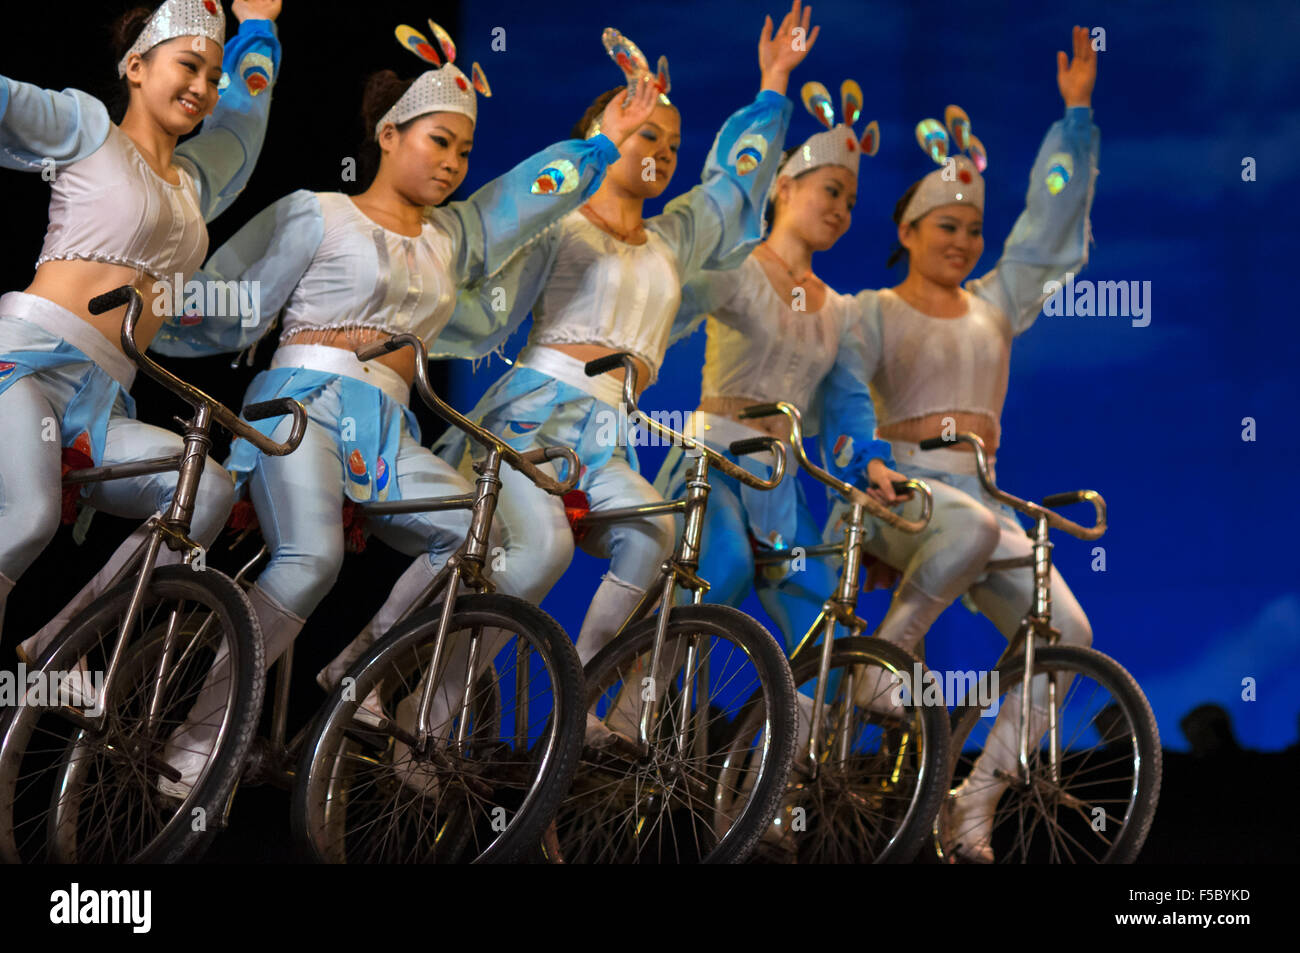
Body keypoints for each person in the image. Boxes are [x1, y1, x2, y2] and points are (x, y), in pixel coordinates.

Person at [30, 19, 657, 797]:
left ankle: (362, 666)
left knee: (477, 534)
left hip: (389, 427)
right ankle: (200, 741)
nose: (454, 164)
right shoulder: (318, 212)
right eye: (438, 142)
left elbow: (522, 198)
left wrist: (599, 148)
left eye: (463, 151)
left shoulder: (451, 239)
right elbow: (232, 295)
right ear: (389, 135)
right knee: (312, 557)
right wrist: (133, 315)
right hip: (301, 408)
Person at [433, 5, 814, 700]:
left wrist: (774, 85)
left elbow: (732, 188)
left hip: (608, 432)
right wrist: (415, 308)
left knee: (655, 537)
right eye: (646, 134)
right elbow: (484, 304)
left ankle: (579, 691)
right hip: (535, 418)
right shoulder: (560, 227)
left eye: (672, 143)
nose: (663, 153)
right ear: (601, 140)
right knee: (539, 549)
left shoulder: (672, 240)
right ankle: (435, 698)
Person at [828, 25, 1100, 861]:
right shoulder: (869, 309)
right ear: (907, 230)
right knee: (974, 529)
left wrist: (1076, 120)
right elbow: (837, 394)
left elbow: (1048, 223)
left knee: (1069, 635)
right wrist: (861, 467)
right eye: (943, 225)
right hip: (894, 488)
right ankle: (885, 665)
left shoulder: (994, 306)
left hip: (978, 497)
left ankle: (974, 800)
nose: (961, 240)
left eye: (971, 230)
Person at [0, 0, 284, 648]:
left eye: (214, 77)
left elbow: (242, 129)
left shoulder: (192, 184)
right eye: (189, 66)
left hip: (103, 400)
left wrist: (259, 31)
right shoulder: (87, 129)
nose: (204, 88)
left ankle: (60, 646)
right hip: (26, 361)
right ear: (135, 65)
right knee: (31, 513)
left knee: (203, 490)